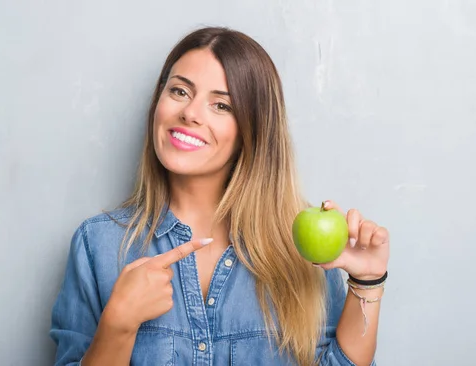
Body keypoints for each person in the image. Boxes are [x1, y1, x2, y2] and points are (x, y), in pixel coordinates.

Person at [49, 26, 390, 366]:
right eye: (180, 91)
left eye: (221, 105)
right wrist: (118, 325)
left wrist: (367, 280)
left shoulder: (303, 251)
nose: (190, 113)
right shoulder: (98, 245)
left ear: (252, 131)